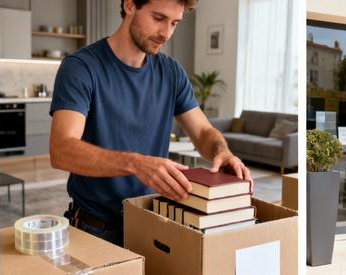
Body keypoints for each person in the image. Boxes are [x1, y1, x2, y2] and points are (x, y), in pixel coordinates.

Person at [48, 0, 252, 246]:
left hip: (154, 222)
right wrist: (135, 164)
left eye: (174, 23)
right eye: (158, 18)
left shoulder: (171, 72)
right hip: (96, 228)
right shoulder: (81, 67)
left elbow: (203, 131)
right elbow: (61, 150)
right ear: (130, 5)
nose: (166, 33)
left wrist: (223, 152)